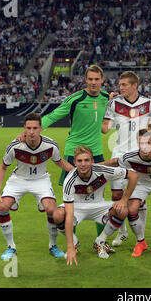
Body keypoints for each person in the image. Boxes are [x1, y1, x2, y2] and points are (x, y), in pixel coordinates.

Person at [20, 65, 110, 244]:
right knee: (72, 196)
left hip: (96, 152)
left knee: (99, 195)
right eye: (90, 79)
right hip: (73, 153)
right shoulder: (75, 99)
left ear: (102, 80)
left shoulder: (107, 98)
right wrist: (34, 131)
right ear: (85, 80)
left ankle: (101, 241)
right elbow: (53, 115)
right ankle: (73, 240)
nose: (93, 82)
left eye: (96, 79)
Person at [0, 112, 74, 260]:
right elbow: (3, 166)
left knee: (51, 209)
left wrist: (75, 171)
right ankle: (11, 247)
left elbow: (59, 161)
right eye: (28, 128)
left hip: (41, 179)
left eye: (35, 128)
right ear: (24, 128)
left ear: (41, 128)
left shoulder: (51, 145)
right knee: (3, 206)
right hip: (19, 179)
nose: (31, 132)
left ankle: (53, 245)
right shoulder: (14, 146)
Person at [53, 146, 139, 265]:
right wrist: (69, 247)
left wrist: (124, 200)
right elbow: (69, 216)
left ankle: (101, 241)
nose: (83, 164)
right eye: (79, 161)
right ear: (74, 162)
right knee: (57, 215)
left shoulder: (102, 170)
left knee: (123, 210)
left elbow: (133, 176)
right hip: (77, 207)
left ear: (92, 161)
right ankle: (74, 243)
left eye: (86, 160)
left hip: (99, 206)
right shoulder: (69, 181)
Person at [101, 127, 151, 258]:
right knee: (132, 209)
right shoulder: (130, 157)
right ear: (137, 144)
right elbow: (114, 162)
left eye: (148, 143)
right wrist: (94, 166)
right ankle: (140, 242)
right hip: (142, 183)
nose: (144, 147)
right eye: (141, 143)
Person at [102, 71, 151, 247]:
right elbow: (105, 129)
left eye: (124, 85)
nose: (121, 88)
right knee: (117, 194)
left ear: (135, 86)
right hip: (118, 152)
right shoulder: (114, 102)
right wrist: (107, 117)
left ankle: (139, 237)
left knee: (138, 198)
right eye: (120, 85)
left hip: (139, 154)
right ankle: (123, 232)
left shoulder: (148, 104)